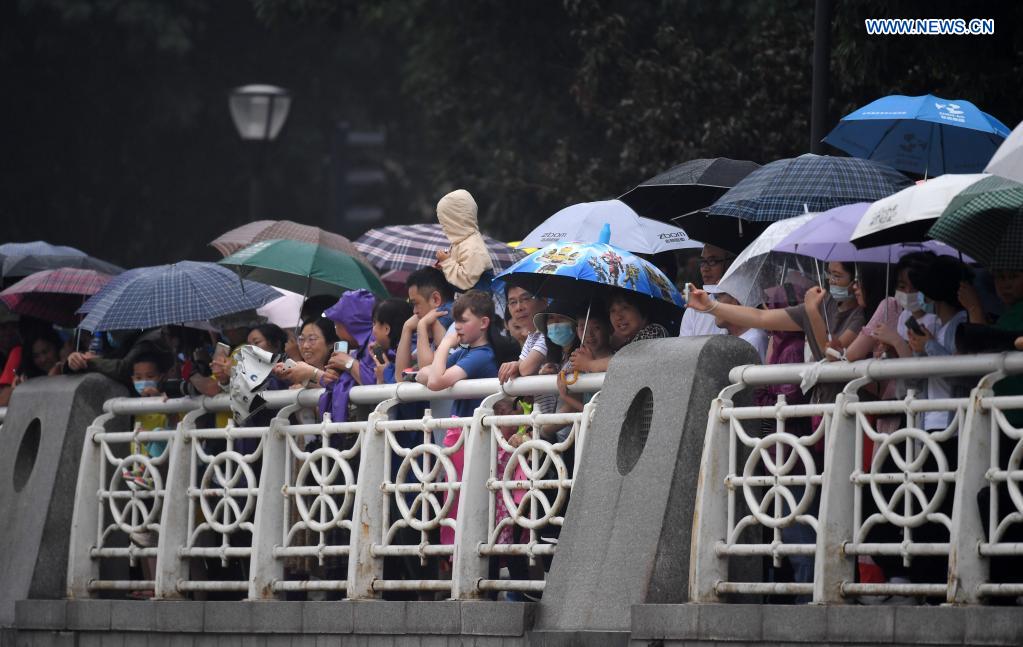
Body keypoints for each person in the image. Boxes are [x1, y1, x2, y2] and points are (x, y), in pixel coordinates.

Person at [687, 261, 865, 363]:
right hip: (819, 404)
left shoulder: (859, 316)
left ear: (855, 279)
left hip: (850, 405)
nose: (831, 281)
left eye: (838, 275)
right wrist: (710, 306)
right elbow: (761, 318)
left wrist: (812, 312)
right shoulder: (821, 303)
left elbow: (832, 355)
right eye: (829, 274)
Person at [905, 256, 973, 433]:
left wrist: (929, 346)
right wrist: (919, 350)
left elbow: (961, 375)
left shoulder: (962, 325)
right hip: (929, 422)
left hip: (952, 427)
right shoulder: (938, 328)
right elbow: (914, 381)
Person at [320, 290, 377, 425]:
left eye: (337, 324)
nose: (336, 330)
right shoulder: (358, 350)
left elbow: (377, 384)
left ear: (351, 324)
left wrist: (349, 363)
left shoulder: (376, 342)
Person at [395, 267, 456, 377]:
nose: (414, 311)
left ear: (435, 300)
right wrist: (407, 328)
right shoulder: (431, 326)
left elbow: (427, 372)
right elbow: (400, 376)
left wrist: (421, 325)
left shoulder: (453, 323)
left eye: (416, 303)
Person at [434, 189, 494, 292]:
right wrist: (443, 268)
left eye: (445, 222)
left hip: (476, 305)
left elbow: (465, 280)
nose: (443, 226)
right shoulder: (461, 243)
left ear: (456, 220)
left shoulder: (473, 246)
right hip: (466, 303)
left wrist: (447, 261)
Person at [498, 285, 548, 384]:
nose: (518, 308)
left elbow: (525, 368)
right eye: (512, 302)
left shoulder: (548, 332)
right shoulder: (532, 335)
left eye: (525, 299)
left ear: (544, 301)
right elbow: (519, 367)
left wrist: (516, 366)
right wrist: (516, 366)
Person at [679, 244, 732, 337]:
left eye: (712, 261)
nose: (705, 268)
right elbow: (682, 348)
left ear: (730, 263)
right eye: (703, 261)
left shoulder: (746, 305)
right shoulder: (693, 310)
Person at [275, 318, 339, 389]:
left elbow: (338, 388)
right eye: (301, 339)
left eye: (312, 339)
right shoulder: (298, 375)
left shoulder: (341, 371)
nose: (305, 346)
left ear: (330, 344)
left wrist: (313, 373)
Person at [709, 287, 768, 362]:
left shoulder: (755, 339)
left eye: (717, 298)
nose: (714, 304)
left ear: (735, 301)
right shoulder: (723, 335)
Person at [369, 298, 413, 386]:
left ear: (386, 329)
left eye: (374, 323)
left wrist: (384, 373)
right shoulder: (412, 345)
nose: (373, 330)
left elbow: (400, 385)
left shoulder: (412, 351)